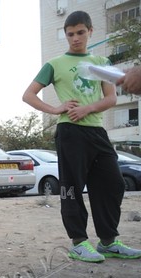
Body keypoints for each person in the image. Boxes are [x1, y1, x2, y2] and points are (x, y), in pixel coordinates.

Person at [22, 10, 141, 263]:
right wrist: (55, 109)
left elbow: (111, 98)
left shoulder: (100, 63)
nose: (75, 38)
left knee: (113, 183)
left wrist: (87, 108)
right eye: (70, 34)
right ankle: (78, 242)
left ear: (90, 31)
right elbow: (28, 95)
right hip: (70, 132)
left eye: (80, 33)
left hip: (97, 131)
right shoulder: (54, 64)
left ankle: (108, 241)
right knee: (71, 187)